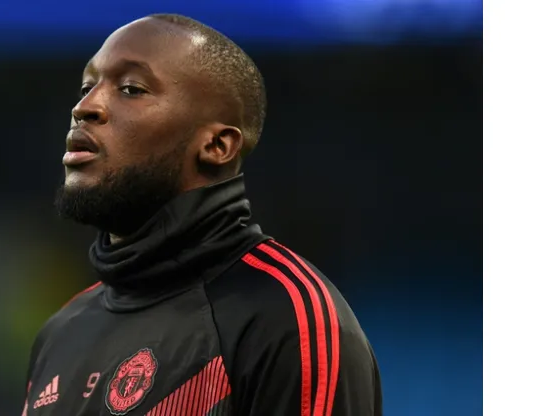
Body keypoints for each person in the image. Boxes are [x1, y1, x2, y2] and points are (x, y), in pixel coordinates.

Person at [22, 13, 382, 416]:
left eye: (131, 89)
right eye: (87, 87)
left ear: (216, 146)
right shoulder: (61, 332)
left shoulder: (288, 317)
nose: (85, 107)